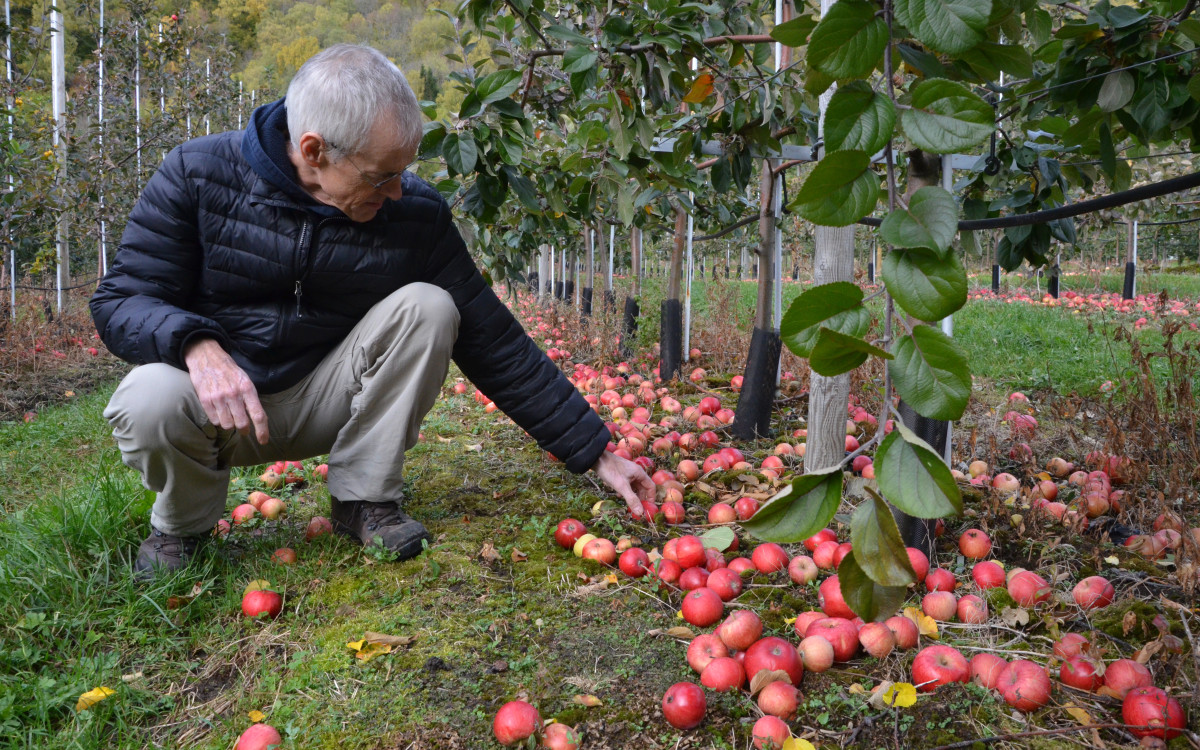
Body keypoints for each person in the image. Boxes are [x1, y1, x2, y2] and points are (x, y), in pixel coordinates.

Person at [90, 44, 655, 579]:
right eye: (382, 176)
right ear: (315, 151)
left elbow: (493, 338)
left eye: (403, 172)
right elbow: (120, 301)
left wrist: (595, 452)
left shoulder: (414, 216)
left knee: (430, 307)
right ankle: (184, 527)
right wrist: (195, 344)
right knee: (147, 397)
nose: (398, 194)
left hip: (328, 399)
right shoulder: (196, 174)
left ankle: (362, 499)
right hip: (224, 411)